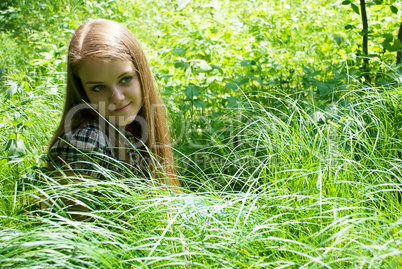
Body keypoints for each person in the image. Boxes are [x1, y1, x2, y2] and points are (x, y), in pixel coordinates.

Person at [47, 19, 180, 198]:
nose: (117, 97)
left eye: (125, 79)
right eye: (98, 87)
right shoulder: (85, 142)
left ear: (141, 75)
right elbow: (73, 225)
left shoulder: (131, 128)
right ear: (82, 92)